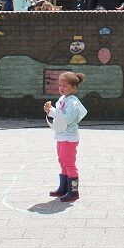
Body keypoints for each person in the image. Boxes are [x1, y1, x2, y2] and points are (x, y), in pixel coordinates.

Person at [44, 71, 88, 203]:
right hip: (61, 135)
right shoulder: (62, 99)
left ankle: (73, 191)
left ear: (74, 88)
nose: (61, 88)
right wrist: (50, 111)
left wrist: (54, 112)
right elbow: (59, 115)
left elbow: (68, 118)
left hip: (69, 137)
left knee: (69, 164)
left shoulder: (73, 102)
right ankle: (63, 188)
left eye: (65, 86)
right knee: (62, 162)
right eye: (60, 85)